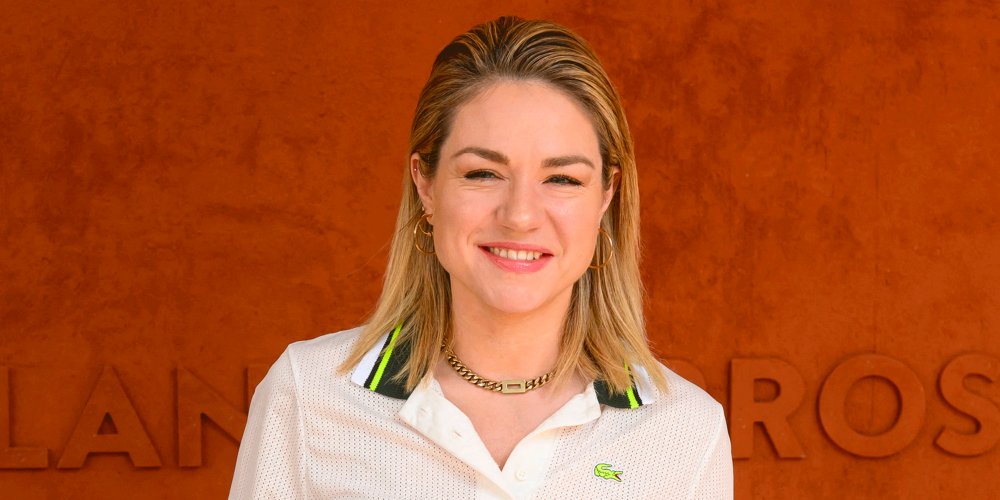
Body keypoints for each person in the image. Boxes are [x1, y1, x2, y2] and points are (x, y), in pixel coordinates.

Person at [230, 16, 732, 499]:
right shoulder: (308, 394)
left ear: (606, 195)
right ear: (426, 184)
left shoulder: (685, 432)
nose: (520, 216)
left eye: (562, 179)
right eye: (483, 173)